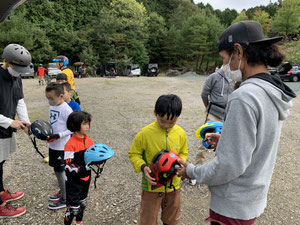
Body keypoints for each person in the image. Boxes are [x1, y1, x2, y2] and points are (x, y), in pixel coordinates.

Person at [177, 20, 296, 225]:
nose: (225, 66)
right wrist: (226, 140)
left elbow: (228, 166)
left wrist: (191, 171)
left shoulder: (244, 96)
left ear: (238, 52)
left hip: (232, 205)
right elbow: (258, 142)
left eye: (225, 59)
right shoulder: (272, 91)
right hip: (251, 199)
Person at [128, 94, 188, 225]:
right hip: (152, 186)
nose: (166, 125)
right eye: (162, 121)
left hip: (173, 186)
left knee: (172, 219)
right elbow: (134, 154)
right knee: (148, 220)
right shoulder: (145, 133)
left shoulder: (180, 133)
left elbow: (183, 152)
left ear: (178, 117)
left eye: (171, 122)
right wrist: (143, 167)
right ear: (155, 113)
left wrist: (181, 163)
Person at [189, 65, 235, 186]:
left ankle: (218, 174)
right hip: (213, 114)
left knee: (224, 144)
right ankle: (196, 172)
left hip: (228, 115)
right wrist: (208, 108)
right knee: (206, 142)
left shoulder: (236, 79)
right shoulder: (214, 77)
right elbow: (204, 94)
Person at [0, 43, 32, 218]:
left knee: (1, 161)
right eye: (17, 68)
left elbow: (19, 100)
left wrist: (25, 121)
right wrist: (10, 121)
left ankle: (1, 192)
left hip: (5, 129)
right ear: (6, 61)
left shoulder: (16, 77)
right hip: (4, 125)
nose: (20, 72)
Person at [45, 82, 73, 210]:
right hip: (53, 145)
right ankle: (63, 191)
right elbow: (53, 123)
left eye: (51, 98)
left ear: (61, 96)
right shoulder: (52, 107)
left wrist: (59, 135)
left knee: (60, 171)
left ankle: (65, 198)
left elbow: (72, 129)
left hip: (62, 146)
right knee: (57, 170)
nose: (49, 101)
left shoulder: (67, 110)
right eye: (47, 98)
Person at [64, 111, 93, 225]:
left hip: (86, 179)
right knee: (73, 209)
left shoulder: (89, 141)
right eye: (84, 123)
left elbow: (92, 157)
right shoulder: (70, 144)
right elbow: (69, 165)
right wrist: (84, 168)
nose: (87, 126)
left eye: (88, 123)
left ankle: (79, 222)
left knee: (82, 203)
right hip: (73, 181)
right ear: (75, 125)